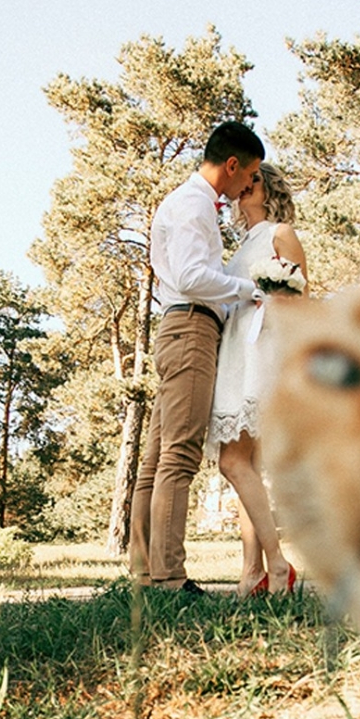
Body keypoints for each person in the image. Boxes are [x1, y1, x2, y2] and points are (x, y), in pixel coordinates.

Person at [129, 121, 265, 593]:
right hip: (190, 328)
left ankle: (145, 573)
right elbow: (191, 277)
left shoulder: (189, 202)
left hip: (179, 327)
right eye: (250, 175)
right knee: (179, 454)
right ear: (232, 165)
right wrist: (250, 290)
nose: (249, 185)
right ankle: (169, 578)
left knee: (157, 458)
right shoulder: (193, 205)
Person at [205, 162, 309, 596]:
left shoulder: (280, 233)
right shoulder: (242, 245)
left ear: (271, 190)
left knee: (233, 462)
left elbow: (302, 300)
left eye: (257, 179)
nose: (246, 185)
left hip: (261, 353)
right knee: (247, 466)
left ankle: (278, 565)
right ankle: (252, 572)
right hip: (235, 351)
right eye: (245, 180)